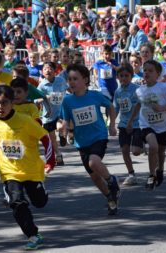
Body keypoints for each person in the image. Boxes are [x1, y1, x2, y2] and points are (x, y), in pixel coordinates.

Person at [0, 85, 55, 250]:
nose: (0, 107)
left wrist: (50, 161)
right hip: (9, 171)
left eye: (4, 103)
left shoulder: (25, 121)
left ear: (12, 103)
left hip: (31, 170)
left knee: (39, 202)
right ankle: (33, 235)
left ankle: (41, 193)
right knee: (16, 203)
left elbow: (45, 137)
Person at [60, 64, 120, 215]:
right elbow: (66, 120)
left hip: (98, 136)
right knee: (94, 177)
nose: (72, 82)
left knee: (94, 162)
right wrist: (64, 131)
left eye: (75, 79)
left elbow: (110, 107)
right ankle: (110, 197)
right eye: (69, 79)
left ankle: (112, 181)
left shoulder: (95, 95)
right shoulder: (67, 101)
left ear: (85, 80)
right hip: (81, 142)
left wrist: (112, 125)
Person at [127, 59, 166, 190]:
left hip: (164, 125)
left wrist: (163, 108)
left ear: (158, 73)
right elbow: (138, 105)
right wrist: (130, 121)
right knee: (153, 146)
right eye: (145, 71)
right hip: (146, 124)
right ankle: (151, 174)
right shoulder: (140, 90)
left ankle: (160, 170)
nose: (147, 73)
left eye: (150, 71)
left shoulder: (164, 87)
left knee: (160, 151)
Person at [113, 64, 142, 185]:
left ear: (131, 76)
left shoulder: (136, 89)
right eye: (121, 76)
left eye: (126, 76)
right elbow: (116, 108)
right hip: (123, 124)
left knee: (135, 151)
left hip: (136, 123)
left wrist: (130, 122)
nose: (124, 78)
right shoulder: (118, 91)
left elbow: (138, 105)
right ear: (118, 77)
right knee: (124, 150)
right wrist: (111, 124)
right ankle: (131, 174)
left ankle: (142, 143)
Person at [37, 62, 69, 166]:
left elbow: (68, 88)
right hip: (48, 116)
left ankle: (62, 134)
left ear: (55, 71)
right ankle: (58, 155)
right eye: (45, 69)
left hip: (60, 112)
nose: (47, 70)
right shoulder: (42, 86)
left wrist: (76, 93)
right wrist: (45, 98)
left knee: (59, 127)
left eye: (50, 68)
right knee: (52, 138)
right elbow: (35, 99)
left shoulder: (60, 80)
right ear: (42, 72)